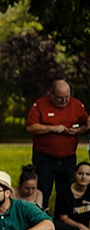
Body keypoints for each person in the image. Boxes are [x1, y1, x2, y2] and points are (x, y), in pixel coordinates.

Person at [26, 79, 87, 211]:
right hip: (45, 158)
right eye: (60, 98)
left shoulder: (76, 105)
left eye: (67, 97)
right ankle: (42, 220)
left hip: (68, 158)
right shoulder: (40, 104)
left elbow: (85, 126)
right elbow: (31, 127)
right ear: (51, 95)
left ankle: (63, 221)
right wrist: (52, 128)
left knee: (66, 192)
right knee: (43, 190)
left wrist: (77, 131)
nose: (64, 101)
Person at [53, 161, 90, 230]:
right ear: (74, 174)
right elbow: (64, 218)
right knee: (56, 226)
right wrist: (80, 226)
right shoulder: (64, 191)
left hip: (86, 224)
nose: (84, 177)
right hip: (70, 224)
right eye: (80, 173)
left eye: (88, 174)